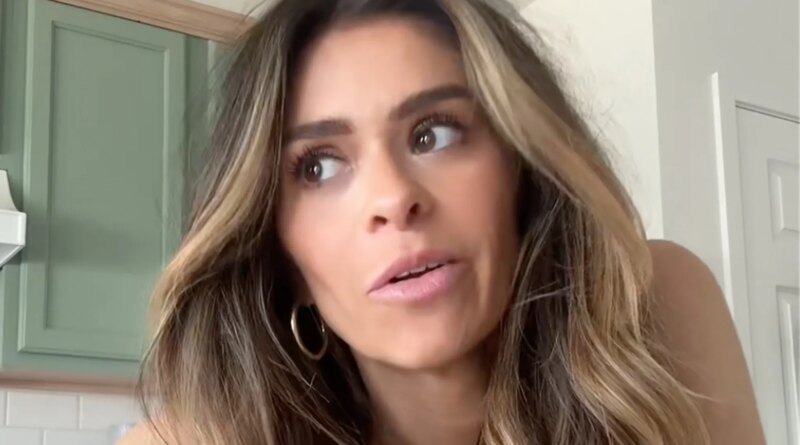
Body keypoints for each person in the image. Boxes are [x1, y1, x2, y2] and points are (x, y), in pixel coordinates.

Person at [120, 0, 764, 443]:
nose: (394, 198)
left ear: (522, 170)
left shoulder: (662, 310)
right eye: (318, 166)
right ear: (283, 259)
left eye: (434, 134)